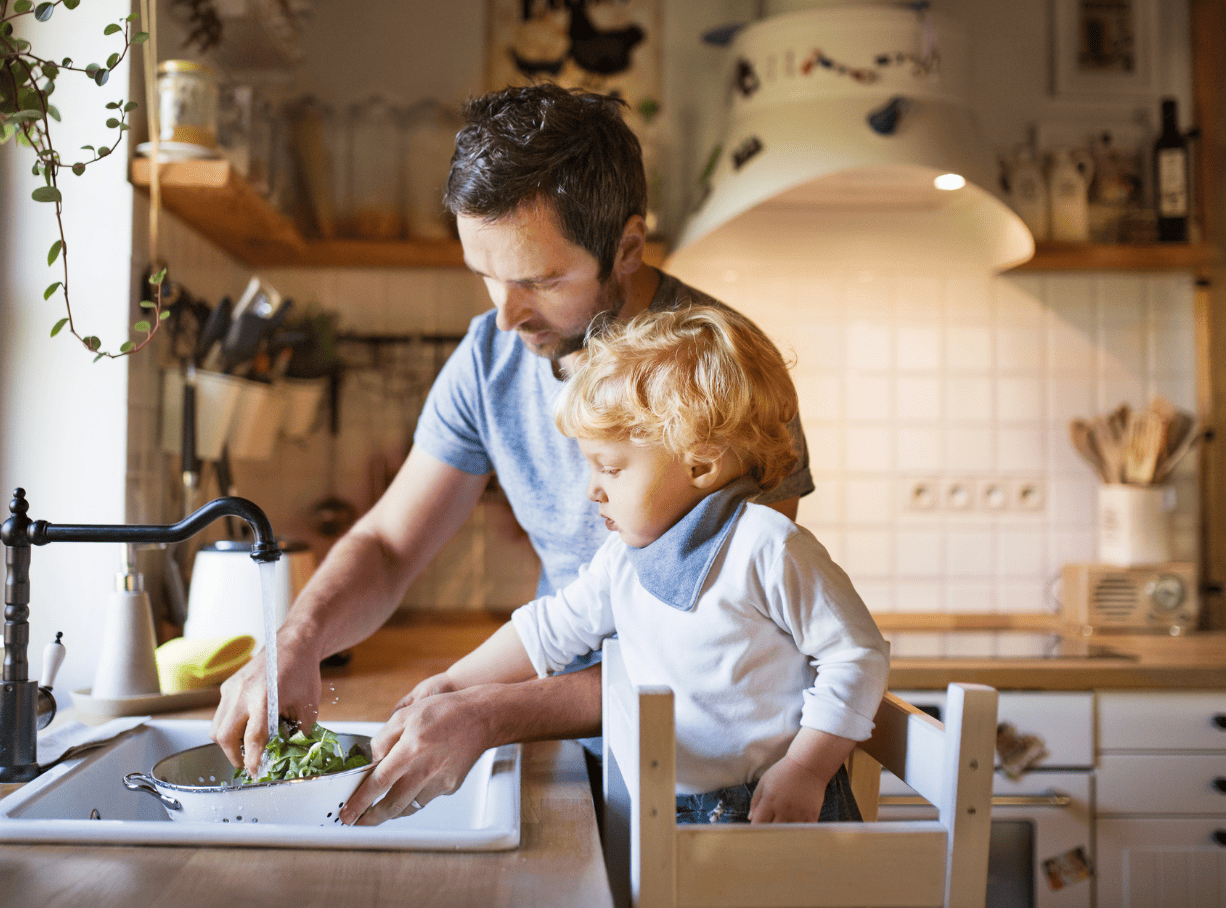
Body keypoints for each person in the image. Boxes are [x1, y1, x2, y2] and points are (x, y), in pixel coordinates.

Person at [210, 82, 814, 824]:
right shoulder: (488, 356)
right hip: (573, 739)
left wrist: (495, 712)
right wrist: (296, 641)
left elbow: (719, 651)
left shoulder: (726, 378)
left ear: (625, 247)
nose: (505, 311)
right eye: (486, 273)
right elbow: (390, 546)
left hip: (715, 773)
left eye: (540, 279)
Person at [386, 305, 888, 823]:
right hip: (664, 806)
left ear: (700, 464)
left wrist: (807, 768)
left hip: (775, 804)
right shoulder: (624, 558)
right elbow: (548, 629)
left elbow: (857, 657)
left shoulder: (769, 547)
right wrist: (453, 683)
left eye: (610, 467)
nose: (593, 490)